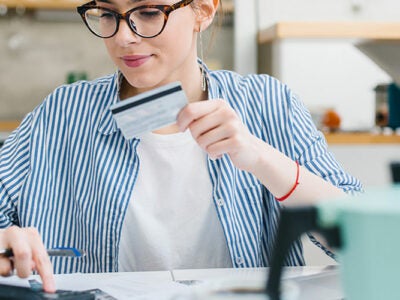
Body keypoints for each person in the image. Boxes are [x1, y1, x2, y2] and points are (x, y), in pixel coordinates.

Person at [0, 0, 362, 293]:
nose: (124, 36)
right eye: (109, 14)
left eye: (148, 12)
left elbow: (368, 244)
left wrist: (262, 159)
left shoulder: (269, 103)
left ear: (203, 10)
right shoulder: (62, 114)